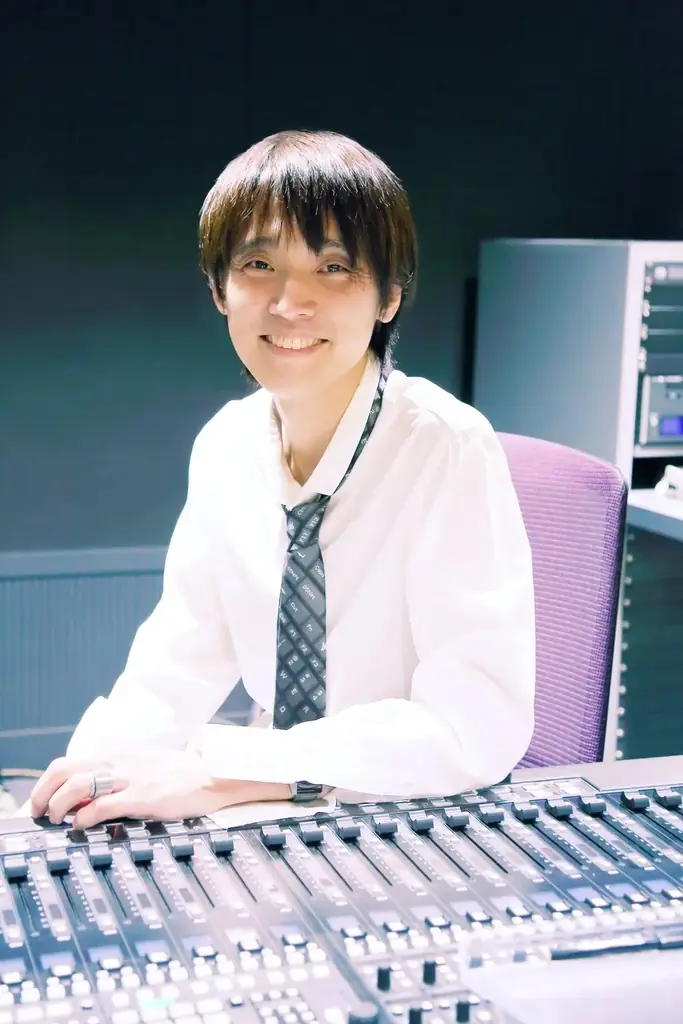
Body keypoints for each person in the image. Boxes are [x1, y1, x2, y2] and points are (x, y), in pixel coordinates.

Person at [28, 129, 536, 829]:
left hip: (408, 819)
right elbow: (177, 662)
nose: (291, 302)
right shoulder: (226, 445)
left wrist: (228, 773)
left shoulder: (446, 448)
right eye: (259, 264)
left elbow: (471, 727)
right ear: (220, 288)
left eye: (334, 267)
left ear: (389, 296)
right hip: (265, 814)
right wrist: (90, 780)